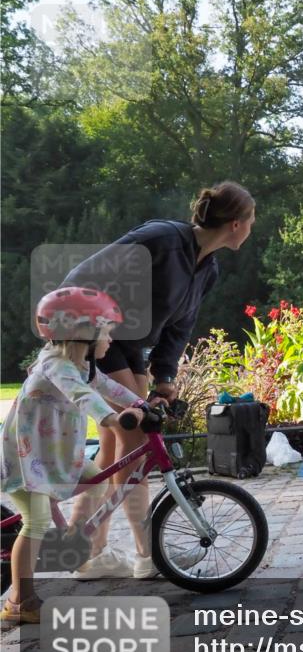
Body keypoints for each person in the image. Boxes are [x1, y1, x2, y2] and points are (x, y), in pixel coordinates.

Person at [61, 181, 256, 578]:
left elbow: (179, 327)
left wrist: (165, 375)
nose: (253, 228)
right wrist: (93, 331)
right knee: (138, 439)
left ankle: (85, 553)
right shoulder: (162, 239)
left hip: (134, 349)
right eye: (252, 221)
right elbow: (81, 275)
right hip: (101, 339)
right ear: (237, 223)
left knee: (118, 445)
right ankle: (146, 554)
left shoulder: (208, 268)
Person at [1, 288, 144, 623]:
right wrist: (111, 418)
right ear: (84, 333)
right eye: (107, 332)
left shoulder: (82, 365)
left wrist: (142, 405)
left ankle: (70, 537)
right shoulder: (57, 365)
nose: (110, 339)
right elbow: (82, 396)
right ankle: (20, 602)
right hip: (26, 458)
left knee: (97, 482)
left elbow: (109, 388)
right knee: (34, 522)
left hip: (53, 456)